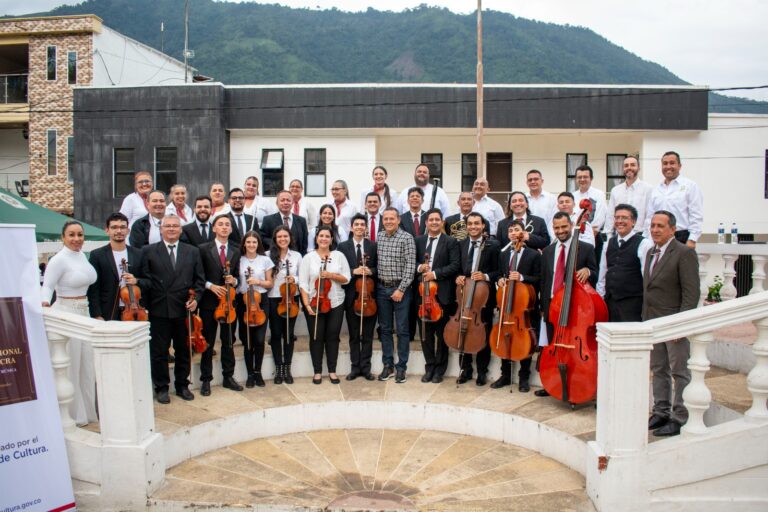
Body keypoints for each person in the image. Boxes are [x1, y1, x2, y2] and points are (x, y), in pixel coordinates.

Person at [138, 214, 205, 404]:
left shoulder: (192, 251)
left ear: (181, 229)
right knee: (159, 352)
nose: (172, 229)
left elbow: (199, 280)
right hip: (159, 309)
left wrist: (196, 300)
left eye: (175, 226)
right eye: (168, 226)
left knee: (184, 350)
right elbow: (145, 280)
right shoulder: (148, 251)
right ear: (161, 229)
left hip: (183, 309)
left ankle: (182, 385)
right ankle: (161, 387)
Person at [644, 210, 700, 437]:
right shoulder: (650, 252)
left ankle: (679, 417)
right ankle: (661, 410)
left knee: (680, 371)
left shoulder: (684, 253)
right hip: (652, 321)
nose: (655, 230)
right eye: (653, 225)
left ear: (672, 229)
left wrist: (681, 325)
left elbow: (691, 293)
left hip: (673, 323)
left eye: (660, 226)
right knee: (658, 369)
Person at [41, 221, 98, 424]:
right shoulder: (58, 260)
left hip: (85, 312)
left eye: (80, 235)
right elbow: (47, 286)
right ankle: (74, 415)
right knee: (71, 365)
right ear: (62, 237)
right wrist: (45, 304)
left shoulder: (82, 255)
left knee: (87, 365)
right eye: (71, 235)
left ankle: (88, 411)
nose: (76, 239)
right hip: (67, 313)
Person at [535, 212, 598, 397]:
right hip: (552, 308)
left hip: (575, 309)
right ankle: (552, 384)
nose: (560, 231)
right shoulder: (547, 251)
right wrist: (543, 307)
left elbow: (595, 271)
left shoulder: (584, 248)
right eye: (556, 228)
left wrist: (588, 270)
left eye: (563, 227)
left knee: (572, 347)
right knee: (553, 347)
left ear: (571, 225)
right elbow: (544, 280)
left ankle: (575, 384)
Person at [492, 219, 542, 392]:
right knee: (504, 337)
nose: (513, 233)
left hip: (524, 306)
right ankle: (505, 375)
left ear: (523, 233)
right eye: (511, 230)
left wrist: (522, 278)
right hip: (507, 305)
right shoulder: (503, 254)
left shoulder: (534, 254)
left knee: (525, 342)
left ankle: (523, 377)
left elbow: (539, 279)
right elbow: (499, 273)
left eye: (517, 230)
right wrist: (499, 279)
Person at [299, 226, 351, 385]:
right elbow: (303, 283)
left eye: (327, 236)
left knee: (332, 337)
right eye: (321, 236)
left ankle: (332, 370)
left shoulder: (339, 256)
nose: (324, 239)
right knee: (316, 336)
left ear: (331, 239)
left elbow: (347, 278)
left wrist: (331, 275)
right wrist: (307, 305)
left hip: (336, 302)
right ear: (316, 239)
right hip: (314, 302)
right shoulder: (308, 258)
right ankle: (317, 371)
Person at [198, 215, 243, 396]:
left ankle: (228, 376)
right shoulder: (202, 249)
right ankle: (206, 379)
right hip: (209, 302)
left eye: (227, 225)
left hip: (229, 304)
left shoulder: (236, 250)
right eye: (220, 224)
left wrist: (234, 280)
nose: (224, 227)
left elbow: (240, 277)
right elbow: (199, 275)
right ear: (214, 228)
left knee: (228, 341)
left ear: (231, 229)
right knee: (208, 342)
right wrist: (210, 286)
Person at [415, 208, 460, 383]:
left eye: (437, 219)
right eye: (430, 219)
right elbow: (411, 262)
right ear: (426, 223)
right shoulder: (418, 241)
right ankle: (430, 367)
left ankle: (440, 370)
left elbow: (455, 265)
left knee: (441, 336)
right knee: (425, 335)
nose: (434, 222)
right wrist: (420, 268)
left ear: (442, 222)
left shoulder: (451, 241)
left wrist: (434, 274)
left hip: (442, 296)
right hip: (422, 297)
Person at [454, 213, 499, 386]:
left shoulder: (493, 246)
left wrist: (486, 276)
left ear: (483, 226)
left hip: (483, 298)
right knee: (462, 332)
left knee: (482, 335)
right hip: (464, 294)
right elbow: (457, 267)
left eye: (476, 223)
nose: (473, 226)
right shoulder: (461, 244)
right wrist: (458, 277)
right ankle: (465, 370)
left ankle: (481, 371)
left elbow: (498, 271)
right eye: (470, 223)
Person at [376, 207, 417, 383]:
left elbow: (410, 266)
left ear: (398, 220)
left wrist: (400, 289)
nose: (388, 222)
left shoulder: (407, 238)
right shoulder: (379, 237)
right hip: (381, 289)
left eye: (392, 218)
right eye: (385, 219)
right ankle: (388, 365)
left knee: (402, 330)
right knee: (385, 329)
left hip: (401, 289)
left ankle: (401, 368)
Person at [597, 204, 653, 321]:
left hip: (633, 303)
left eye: (624, 218)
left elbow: (647, 276)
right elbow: (603, 274)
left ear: (633, 221)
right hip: (611, 302)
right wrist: (600, 299)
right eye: (617, 218)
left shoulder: (644, 244)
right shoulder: (608, 244)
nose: (619, 221)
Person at [338, 214, 378, 381]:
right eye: (357, 224)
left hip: (369, 299)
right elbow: (338, 269)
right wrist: (353, 271)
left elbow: (378, 267)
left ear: (366, 228)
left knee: (367, 335)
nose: (360, 227)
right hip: (351, 297)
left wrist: (371, 271)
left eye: (363, 224)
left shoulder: (373, 246)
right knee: (354, 335)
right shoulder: (342, 247)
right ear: (351, 227)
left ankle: (366, 368)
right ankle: (355, 368)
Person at [87, 212, 143, 320]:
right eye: (114, 227)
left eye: (123, 227)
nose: (119, 231)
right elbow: (93, 288)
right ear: (107, 230)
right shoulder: (97, 255)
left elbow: (149, 281)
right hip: (107, 311)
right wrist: (97, 314)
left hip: (135, 310)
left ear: (128, 231)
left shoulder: (138, 254)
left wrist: (136, 280)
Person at [236, 231, 274, 388]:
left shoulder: (265, 259)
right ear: (244, 243)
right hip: (243, 300)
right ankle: (250, 374)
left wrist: (257, 281)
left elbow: (270, 283)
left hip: (260, 301)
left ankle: (258, 372)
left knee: (259, 339)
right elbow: (236, 283)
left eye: (254, 242)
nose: (251, 245)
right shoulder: (238, 259)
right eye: (249, 242)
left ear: (258, 244)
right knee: (248, 341)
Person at [643, 151, 704, 248]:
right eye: (665, 163)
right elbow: (650, 217)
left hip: (681, 237)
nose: (668, 166)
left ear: (679, 166)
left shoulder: (690, 186)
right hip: (658, 239)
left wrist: (692, 239)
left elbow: (696, 215)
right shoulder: (656, 190)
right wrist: (647, 238)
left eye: (672, 163)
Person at [267, 226, 302, 384]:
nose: (282, 239)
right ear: (275, 239)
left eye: (285, 236)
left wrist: (294, 279)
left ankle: (287, 367)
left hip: (291, 299)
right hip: (274, 298)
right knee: (275, 334)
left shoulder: (296, 256)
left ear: (290, 238)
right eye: (279, 236)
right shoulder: (268, 256)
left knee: (288, 334)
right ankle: (278, 367)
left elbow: (302, 276)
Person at [603, 156, 652, 235]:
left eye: (632, 165)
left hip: (639, 234)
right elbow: (610, 216)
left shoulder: (648, 189)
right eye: (626, 165)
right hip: (619, 235)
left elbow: (649, 216)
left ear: (639, 168)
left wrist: (646, 237)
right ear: (623, 169)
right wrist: (608, 237)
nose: (629, 168)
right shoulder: (615, 190)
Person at [572, 164, 608, 263]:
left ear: (591, 178)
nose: (582, 179)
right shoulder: (573, 196)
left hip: (594, 236)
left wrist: (589, 234)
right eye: (579, 177)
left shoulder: (599, 194)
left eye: (585, 177)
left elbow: (600, 216)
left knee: (593, 265)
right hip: (575, 237)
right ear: (576, 179)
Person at [260, 190, 309, 255]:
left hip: (296, 259)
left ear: (292, 203)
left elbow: (304, 244)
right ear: (277, 203)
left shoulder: (301, 221)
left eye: (288, 200)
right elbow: (263, 238)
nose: (285, 203)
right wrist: (277, 242)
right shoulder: (268, 220)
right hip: (275, 258)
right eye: (282, 200)